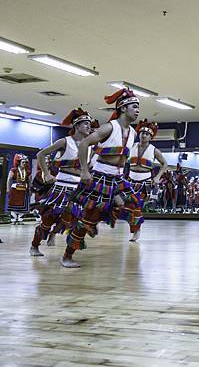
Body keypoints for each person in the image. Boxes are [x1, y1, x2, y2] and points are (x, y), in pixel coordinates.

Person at [60, 88, 141, 268]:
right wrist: (84, 170)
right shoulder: (109, 127)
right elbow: (85, 144)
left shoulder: (133, 133)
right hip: (101, 177)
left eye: (138, 107)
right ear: (122, 107)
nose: (137, 110)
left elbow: (123, 158)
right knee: (88, 217)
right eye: (134, 106)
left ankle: (112, 221)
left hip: (118, 179)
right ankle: (67, 255)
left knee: (133, 204)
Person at [30, 108, 93, 256]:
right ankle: (34, 245)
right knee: (48, 219)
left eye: (89, 124)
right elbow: (40, 154)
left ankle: (56, 238)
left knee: (69, 220)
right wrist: (46, 174)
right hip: (61, 186)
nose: (89, 127)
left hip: (77, 188)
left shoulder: (90, 147)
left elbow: (88, 168)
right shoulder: (65, 142)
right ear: (76, 126)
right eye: (86, 124)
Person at [126, 119, 168, 241]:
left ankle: (136, 230)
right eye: (142, 133)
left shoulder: (154, 150)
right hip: (130, 180)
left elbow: (164, 164)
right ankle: (134, 227)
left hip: (145, 182)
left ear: (151, 137)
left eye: (147, 134)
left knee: (136, 206)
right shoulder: (131, 147)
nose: (144, 135)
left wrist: (158, 176)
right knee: (129, 207)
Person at [6, 154, 31, 224]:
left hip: (24, 190)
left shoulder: (28, 171)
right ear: (19, 162)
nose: (24, 164)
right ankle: (13, 220)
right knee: (13, 204)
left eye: (26, 162)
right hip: (14, 190)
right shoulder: (13, 170)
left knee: (23, 205)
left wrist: (30, 189)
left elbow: (29, 181)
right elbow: (9, 179)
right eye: (23, 162)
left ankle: (20, 219)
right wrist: (8, 189)